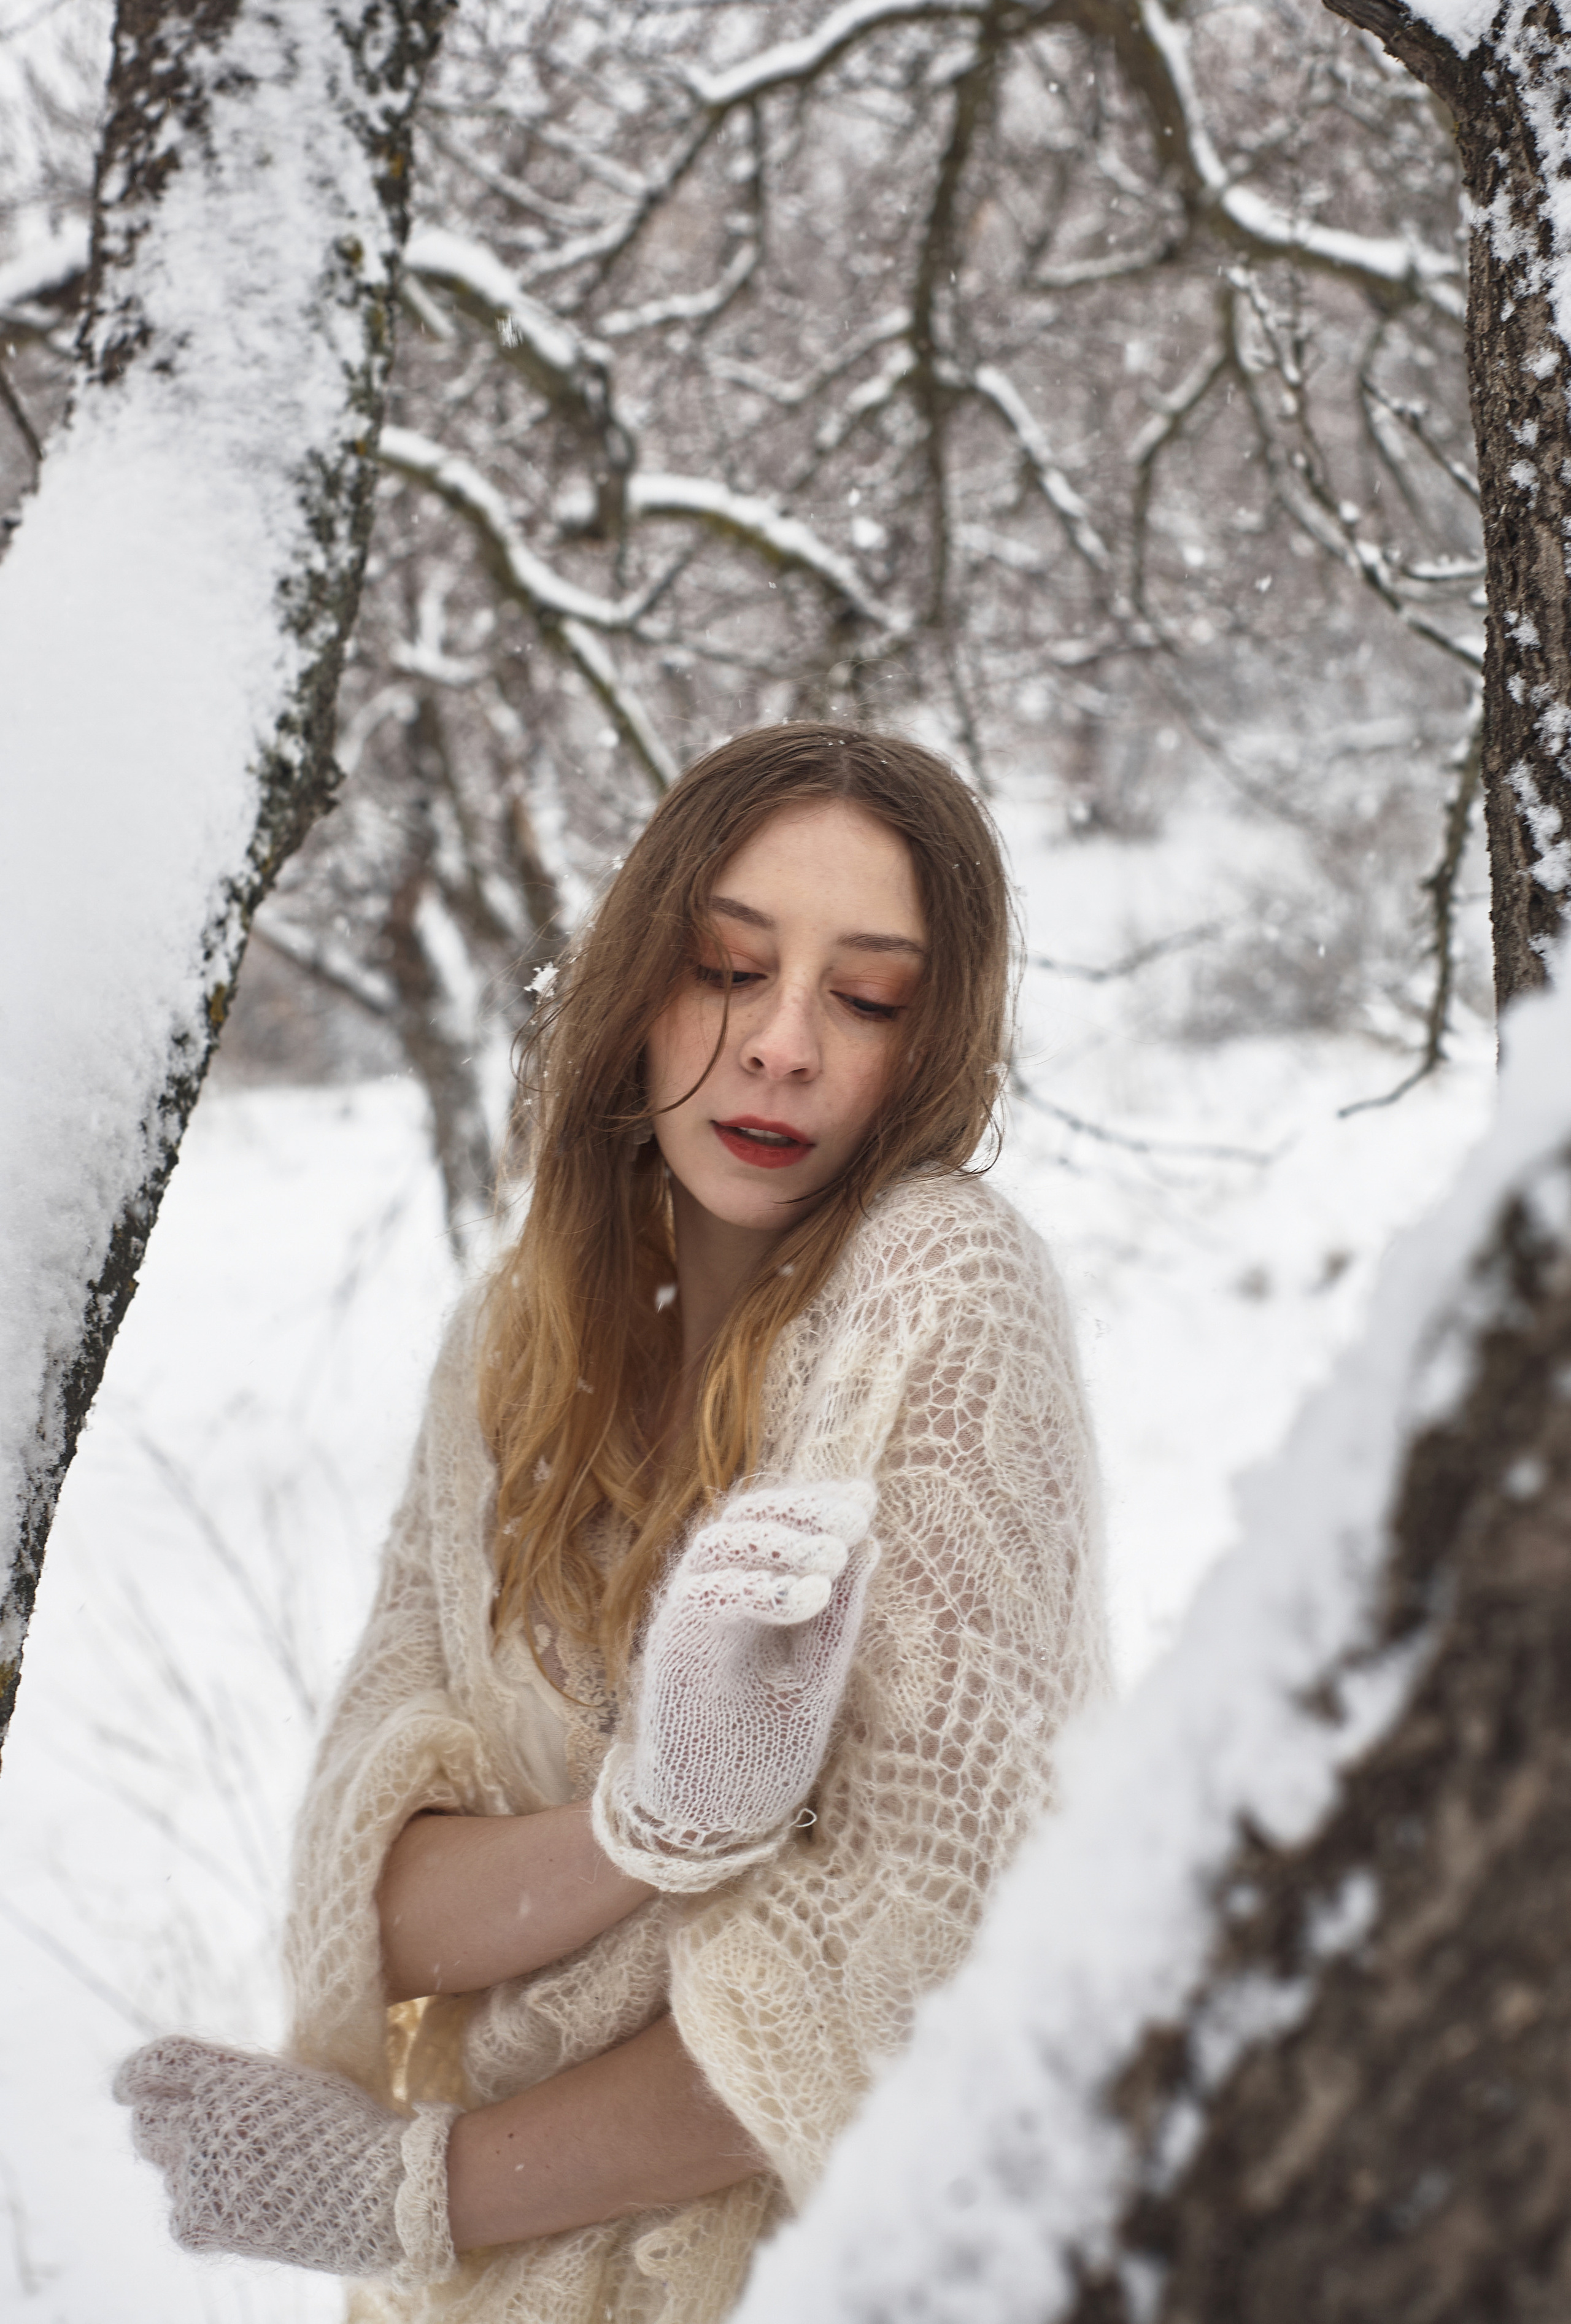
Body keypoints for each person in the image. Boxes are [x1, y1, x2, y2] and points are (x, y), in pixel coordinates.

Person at [115, 725, 1110, 2321]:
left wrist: (411, 2190)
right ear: (641, 981)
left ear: (928, 1050)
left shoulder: (943, 1296)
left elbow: (914, 1966)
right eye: (729, 967)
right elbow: (376, 1888)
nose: (783, 1043)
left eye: (866, 998)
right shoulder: (514, 1348)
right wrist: (647, 1830)